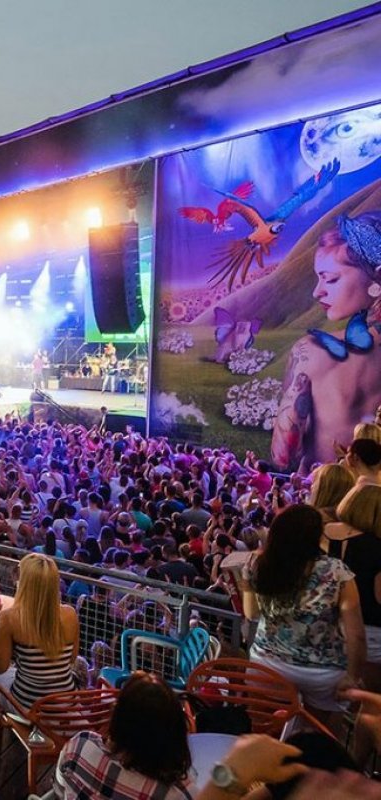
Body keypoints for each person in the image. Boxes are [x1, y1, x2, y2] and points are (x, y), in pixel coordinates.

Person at [235, 504, 366, 733]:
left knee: (265, 733)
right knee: (311, 737)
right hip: (321, 671)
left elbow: (251, 614)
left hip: (267, 663)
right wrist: (352, 676)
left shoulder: (257, 564)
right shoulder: (336, 571)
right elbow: (356, 634)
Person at [272, 212, 381, 469]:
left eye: (330, 279)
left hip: (326, 495)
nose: (317, 291)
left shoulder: (311, 352)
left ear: (377, 278)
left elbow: (283, 455)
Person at [55, 672, 195, 799]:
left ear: (118, 717)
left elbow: (60, 788)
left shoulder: (79, 746)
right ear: (174, 733)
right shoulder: (176, 794)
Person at [0, 553, 80, 709]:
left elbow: (0, 666)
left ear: (24, 583)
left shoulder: (9, 618)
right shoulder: (70, 614)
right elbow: (72, 659)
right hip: (66, 702)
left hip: (28, 706)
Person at [329, 484, 381, 691]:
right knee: (368, 704)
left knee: (337, 699)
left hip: (331, 629)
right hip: (370, 635)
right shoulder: (376, 548)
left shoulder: (325, 535)